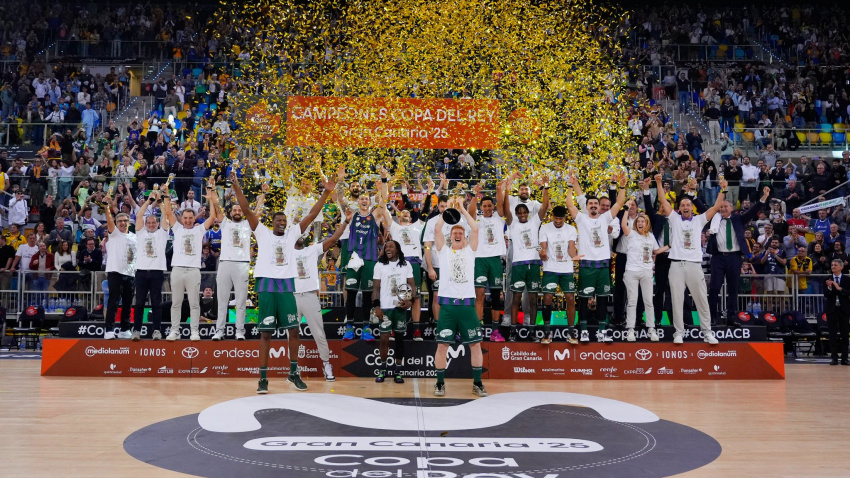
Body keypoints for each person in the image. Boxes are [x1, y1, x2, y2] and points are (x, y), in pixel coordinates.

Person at [231, 170, 335, 394]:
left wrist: (326, 194)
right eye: (278, 220)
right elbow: (247, 209)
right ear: (272, 222)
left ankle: (293, 373)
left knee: (294, 331)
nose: (282, 223)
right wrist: (237, 186)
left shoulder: (292, 235)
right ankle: (263, 378)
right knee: (265, 334)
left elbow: (312, 213)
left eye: (284, 221)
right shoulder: (262, 232)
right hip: (267, 285)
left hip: (287, 285)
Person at [655, 173, 724, 345]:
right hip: (676, 265)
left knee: (701, 299)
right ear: (679, 208)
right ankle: (678, 332)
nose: (685, 207)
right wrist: (658, 183)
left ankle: (707, 332)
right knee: (676, 300)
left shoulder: (699, 220)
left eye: (688, 204)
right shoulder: (674, 219)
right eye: (683, 205)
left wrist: (724, 189)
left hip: (694, 265)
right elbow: (663, 202)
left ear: (692, 207)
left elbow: (716, 207)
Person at [432, 197, 486, 397]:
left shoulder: (471, 251)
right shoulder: (444, 251)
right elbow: (437, 230)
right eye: (454, 232)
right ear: (450, 236)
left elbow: (477, 229)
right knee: (442, 345)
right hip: (447, 306)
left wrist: (462, 209)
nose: (457, 234)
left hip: (466, 306)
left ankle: (478, 383)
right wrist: (446, 214)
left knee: (475, 344)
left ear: (464, 237)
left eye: (460, 233)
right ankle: (439, 383)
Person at [291, 207, 351, 382]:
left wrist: (346, 221)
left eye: (303, 234)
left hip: (310, 296)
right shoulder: (287, 251)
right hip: (292, 296)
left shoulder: (312, 250)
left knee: (319, 333)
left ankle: (326, 364)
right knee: (292, 334)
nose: (301, 236)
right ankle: (293, 369)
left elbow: (333, 238)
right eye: (298, 234)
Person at [565, 172, 626, 343]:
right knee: (584, 299)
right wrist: (570, 187)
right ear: (587, 206)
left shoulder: (606, 218)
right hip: (586, 265)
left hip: (603, 265)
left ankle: (602, 331)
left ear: (600, 207)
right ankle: (583, 331)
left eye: (595, 204)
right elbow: (569, 204)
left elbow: (620, 202)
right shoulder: (581, 218)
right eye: (590, 203)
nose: (593, 205)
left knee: (602, 299)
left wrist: (621, 186)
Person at [707, 186, 770, 325]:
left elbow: (752, 211)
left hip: (734, 258)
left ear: (731, 209)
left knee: (733, 289)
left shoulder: (738, 219)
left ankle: (731, 318)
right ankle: (712, 318)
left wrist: (763, 198)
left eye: (725, 206)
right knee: (714, 288)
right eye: (721, 207)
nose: (723, 209)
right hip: (718, 258)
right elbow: (700, 208)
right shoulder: (713, 219)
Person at [164, 183, 218, 341]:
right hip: (178, 270)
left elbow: (213, 217)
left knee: (195, 303)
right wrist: (166, 194)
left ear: (194, 218)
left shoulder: (199, 229)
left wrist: (211, 199)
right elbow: (168, 212)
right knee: (176, 303)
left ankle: (195, 331)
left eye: (190, 218)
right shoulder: (177, 229)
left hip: (194, 270)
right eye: (185, 218)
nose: (187, 220)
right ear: (182, 218)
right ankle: (175, 331)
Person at [341, 168, 390, 342]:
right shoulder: (352, 215)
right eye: (361, 198)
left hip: (369, 259)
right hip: (354, 259)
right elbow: (338, 198)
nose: (363, 200)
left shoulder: (375, 216)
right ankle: (349, 327)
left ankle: (367, 328)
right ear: (358, 202)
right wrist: (340, 180)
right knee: (352, 293)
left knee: (368, 295)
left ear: (369, 202)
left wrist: (384, 180)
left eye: (366, 199)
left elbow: (383, 201)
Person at [502, 176, 550, 341]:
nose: (522, 214)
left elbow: (544, 206)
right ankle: (513, 332)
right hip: (518, 265)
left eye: (524, 212)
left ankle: (532, 331)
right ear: (516, 214)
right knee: (516, 298)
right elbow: (506, 209)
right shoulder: (512, 224)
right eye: (519, 212)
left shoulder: (535, 222)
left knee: (532, 299)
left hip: (534, 264)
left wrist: (546, 186)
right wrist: (507, 189)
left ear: (528, 213)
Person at [211, 182, 254, 341]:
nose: (237, 211)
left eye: (239, 210)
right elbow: (216, 205)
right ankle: (219, 331)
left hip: (242, 264)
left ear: (242, 212)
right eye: (234, 210)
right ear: (230, 212)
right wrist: (213, 189)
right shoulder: (225, 223)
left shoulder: (248, 224)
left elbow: (254, 211)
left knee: (241, 301)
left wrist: (262, 195)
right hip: (225, 264)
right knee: (222, 301)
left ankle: (240, 331)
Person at [620, 201, 667, 342]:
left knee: (648, 301)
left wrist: (669, 245)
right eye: (638, 221)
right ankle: (630, 330)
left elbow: (656, 251)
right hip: (631, 272)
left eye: (643, 221)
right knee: (632, 301)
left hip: (646, 271)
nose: (640, 223)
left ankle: (651, 329)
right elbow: (623, 225)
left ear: (647, 224)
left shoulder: (651, 236)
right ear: (636, 224)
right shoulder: (632, 234)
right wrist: (627, 209)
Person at [372, 239, 416, 384]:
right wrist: (376, 306)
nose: (387, 249)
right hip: (385, 308)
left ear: (397, 249)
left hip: (400, 307)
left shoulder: (406, 265)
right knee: (384, 339)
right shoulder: (379, 265)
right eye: (386, 247)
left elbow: (412, 286)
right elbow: (376, 288)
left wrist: (411, 301)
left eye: (391, 246)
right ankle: (383, 369)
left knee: (399, 339)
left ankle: (398, 371)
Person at [468, 184, 507, 341]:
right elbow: (470, 212)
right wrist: (475, 194)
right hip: (480, 260)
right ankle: (478, 329)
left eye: (490, 205)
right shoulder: (477, 219)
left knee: (497, 296)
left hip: (495, 259)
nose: (488, 208)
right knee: (480, 295)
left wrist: (500, 190)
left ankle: (495, 331)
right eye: (484, 206)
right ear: (481, 207)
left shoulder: (499, 218)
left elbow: (501, 203)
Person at [538, 205, 580, 344]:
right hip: (550, 268)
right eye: (555, 217)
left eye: (560, 218)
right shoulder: (545, 228)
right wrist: (542, 253)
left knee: (570, 297)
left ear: (565, 217)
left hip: (566, 269)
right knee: (548, 297)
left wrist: (575, 254)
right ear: (552, 216)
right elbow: (543, 248)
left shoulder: (571, 229)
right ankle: (547, 332)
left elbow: (572, 248)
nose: (558, 220)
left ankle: (571, 331)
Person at [134, 188, 170, 340]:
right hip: (141, 271)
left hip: (157, 272)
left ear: (156, 223)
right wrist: (149, 201)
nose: (150, 224)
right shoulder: (140, 233)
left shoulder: (162, 234)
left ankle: (157, 330)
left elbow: (166, 216)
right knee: (140, 303)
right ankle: (136, 330)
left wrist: (160, 202)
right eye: (148, 222)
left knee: (156, 303)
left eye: (153, 222)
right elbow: (139, 215)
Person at [102, 190, 137, 340]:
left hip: (130, 273)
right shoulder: (114, 233)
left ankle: (124, 329)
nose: (122, 223)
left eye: (125, 220)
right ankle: (109, 329)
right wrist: (106, 206)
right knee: (113, 301)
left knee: (128, 303)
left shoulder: (135, 237)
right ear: (116, 224)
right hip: (115, 271)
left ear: (129, 223)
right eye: (119, 221)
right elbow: (109, 219)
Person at [824, 259, 850, 366]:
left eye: (835, 265)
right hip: (832, 309)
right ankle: (834, 358)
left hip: (844, 309)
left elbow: (848, 293)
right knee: (832, 334)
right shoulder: (827, 279)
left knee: (844, 334)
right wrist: (830, 288)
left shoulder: (847, 279)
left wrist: (840, 289)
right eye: (832, 264)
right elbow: (825, 294)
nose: (833, 266)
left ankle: (845, 358)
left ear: (841, 267)